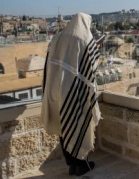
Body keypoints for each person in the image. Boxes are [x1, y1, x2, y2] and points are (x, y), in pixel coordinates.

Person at [41, 13, 102, 176]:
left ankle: (71, 164)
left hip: (55, 89)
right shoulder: (84, 38)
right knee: (78, 124)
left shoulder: (57, 38)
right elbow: (92, 65)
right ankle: (81, 164)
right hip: (74, 90)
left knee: (64, 126)